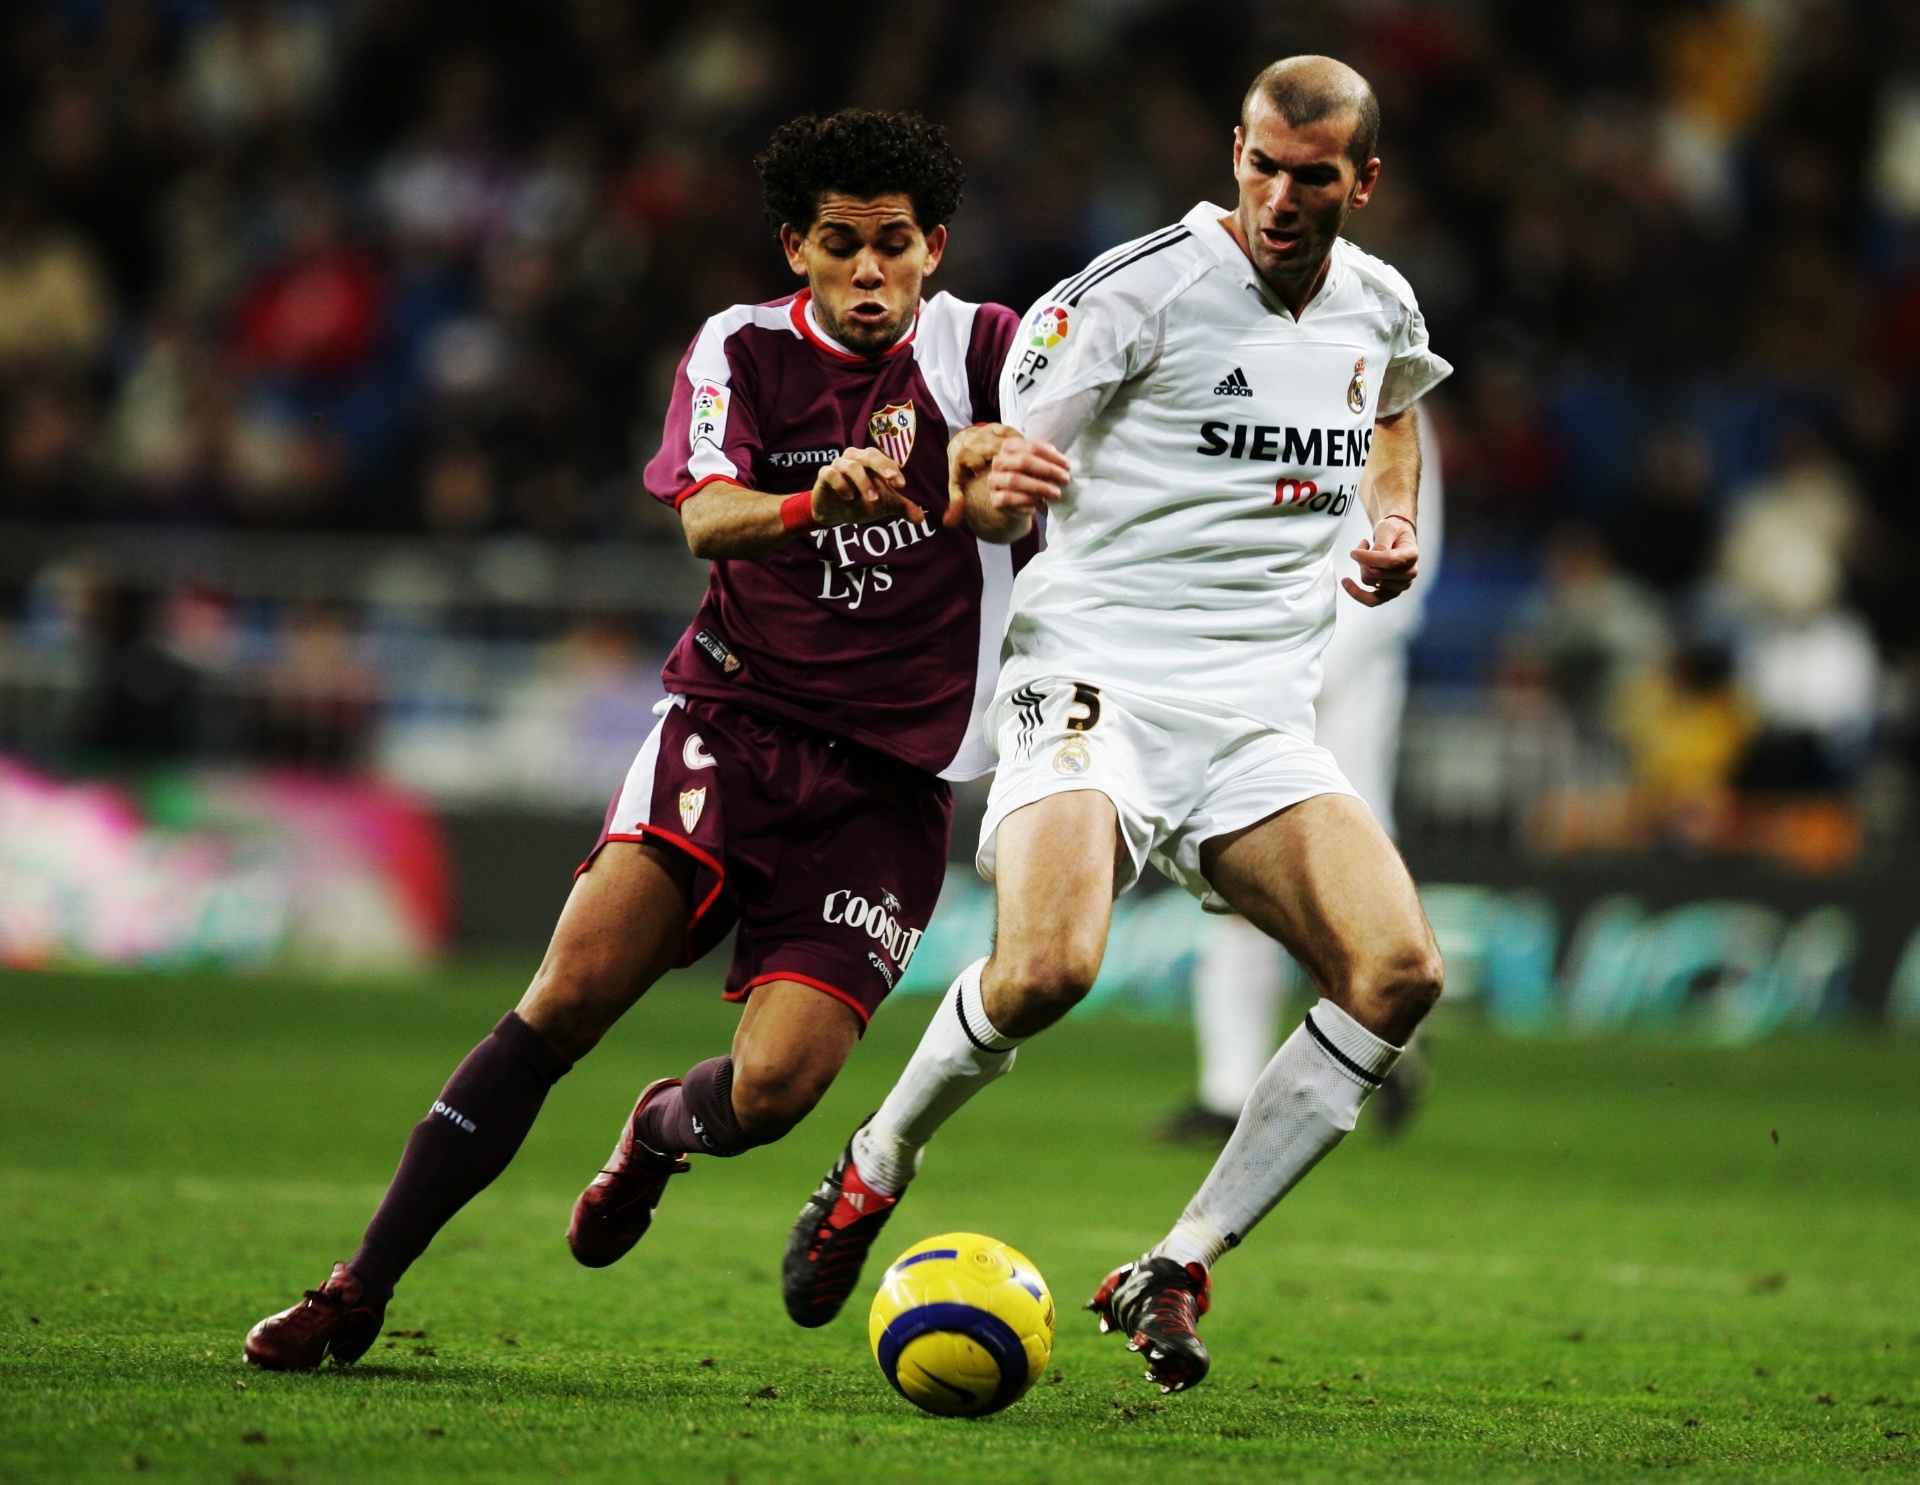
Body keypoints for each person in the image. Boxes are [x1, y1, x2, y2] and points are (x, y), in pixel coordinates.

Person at [243, 109, 1034, 1370]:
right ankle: (357, 1287)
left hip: (891, 784)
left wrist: (999, 486)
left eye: (893, 243)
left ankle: (660, 1131)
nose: (868, 271)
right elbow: (706, 519)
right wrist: (811, 498)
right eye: (840, 244)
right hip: (733, 724)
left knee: (774, 1093)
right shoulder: (743, 347)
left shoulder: (990, 350)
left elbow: (1061, 461)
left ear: (933, 248)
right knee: (564, 1000)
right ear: (797, 247)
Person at [783, 57, 1451, 1396]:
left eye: (1313, 177)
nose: (1280, 197)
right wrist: (993, 482)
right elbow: (976, 461)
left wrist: (1390, 521)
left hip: (1259, 713)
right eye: (1262, 166)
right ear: (1236, 155)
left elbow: (1393, 411)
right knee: (1047, 970)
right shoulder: (1135, 290)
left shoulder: (1379, 302)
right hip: (1095, 675)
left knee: (1397, 975)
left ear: (1362, 181)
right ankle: (876, 1161)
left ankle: (1178, 1264)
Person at [1170, 409, 1443, 1145]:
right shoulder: (1261, 392)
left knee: (1352, 874)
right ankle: (1228, 1087)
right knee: (1236, 860)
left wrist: (1311, 665)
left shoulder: (1392, 408)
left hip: (1343, 686)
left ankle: (1392, 1038)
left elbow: (1410, 557)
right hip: (1255, 666)